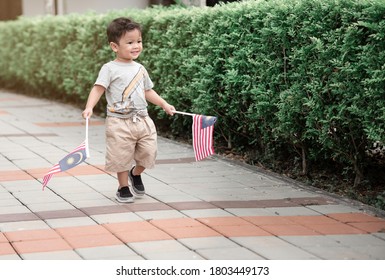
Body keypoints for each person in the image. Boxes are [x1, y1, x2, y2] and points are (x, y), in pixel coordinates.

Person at [82, 17, 175, 203]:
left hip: (142, 119)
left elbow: (147, 91)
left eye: (139, 41)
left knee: (149, 152)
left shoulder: (140, 68)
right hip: (119, 121)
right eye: (130, 42)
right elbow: (98, 88)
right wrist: (89, 107)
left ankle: (136, 173)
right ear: (114, 46)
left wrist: (164, 104)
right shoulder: (109, 69)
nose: (136, 46)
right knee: (120, 156)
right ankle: (123, 187)